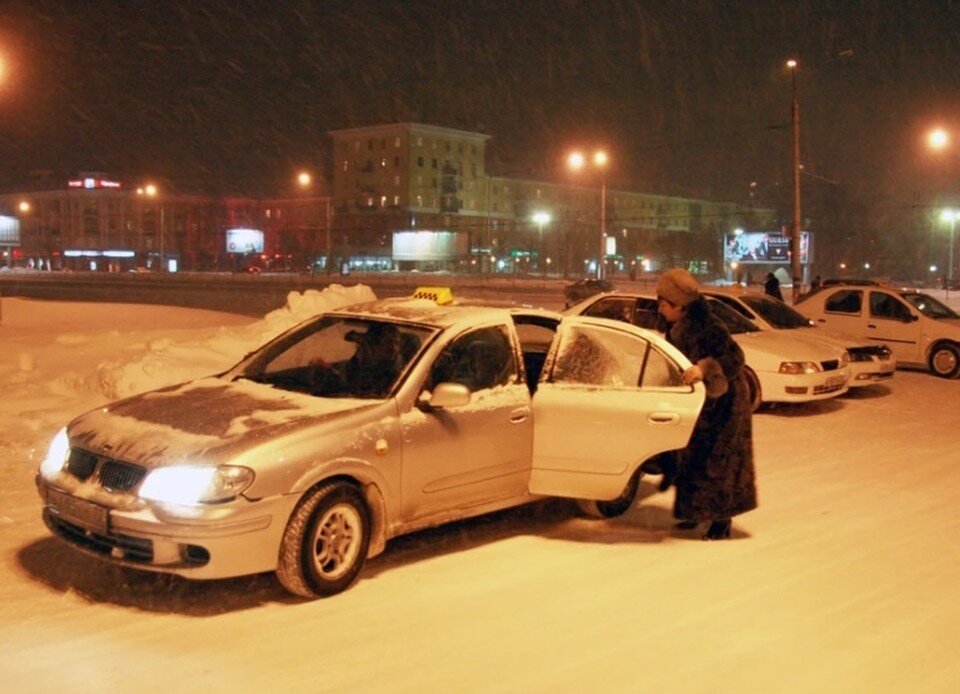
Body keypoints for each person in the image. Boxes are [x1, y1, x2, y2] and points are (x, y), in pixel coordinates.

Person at [655, 268, 758, 540]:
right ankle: (695, 511)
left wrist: (704, 369)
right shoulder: (675, 325)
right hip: (700, 402)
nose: (660, 308)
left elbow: (735, 358)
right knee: (691, 459)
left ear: (679, 306)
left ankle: (721, 521)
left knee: (719, 462)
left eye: (664, 304)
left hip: (726, 402)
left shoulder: (708, 326)